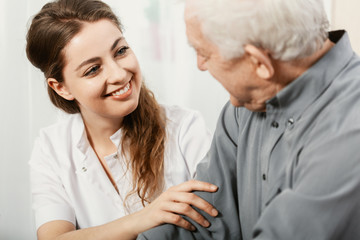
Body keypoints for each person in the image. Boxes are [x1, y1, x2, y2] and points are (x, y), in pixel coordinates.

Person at [137, 0, 360, 239]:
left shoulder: (349, 131)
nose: (200, 65)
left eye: (204, 52)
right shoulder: (245, 105)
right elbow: (197, 217)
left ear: (259, 63)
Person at [26, 0, 219, 239]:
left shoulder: (185, 129)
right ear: (61, 87)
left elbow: (220, 223)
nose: (119, 74)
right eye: (93, 69)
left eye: (120, 51)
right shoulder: (51, 147)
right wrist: (144, 218)